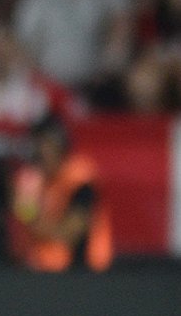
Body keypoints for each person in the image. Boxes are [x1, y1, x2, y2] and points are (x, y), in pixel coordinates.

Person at [8, 114, 113, 272]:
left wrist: (29, 217)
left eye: (46, 147)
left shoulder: (80, 180)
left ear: (60, 148)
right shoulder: (32, 180)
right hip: (41, 272)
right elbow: (20, 228)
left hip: (84, 275)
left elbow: (68, 233)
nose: (40, 155)